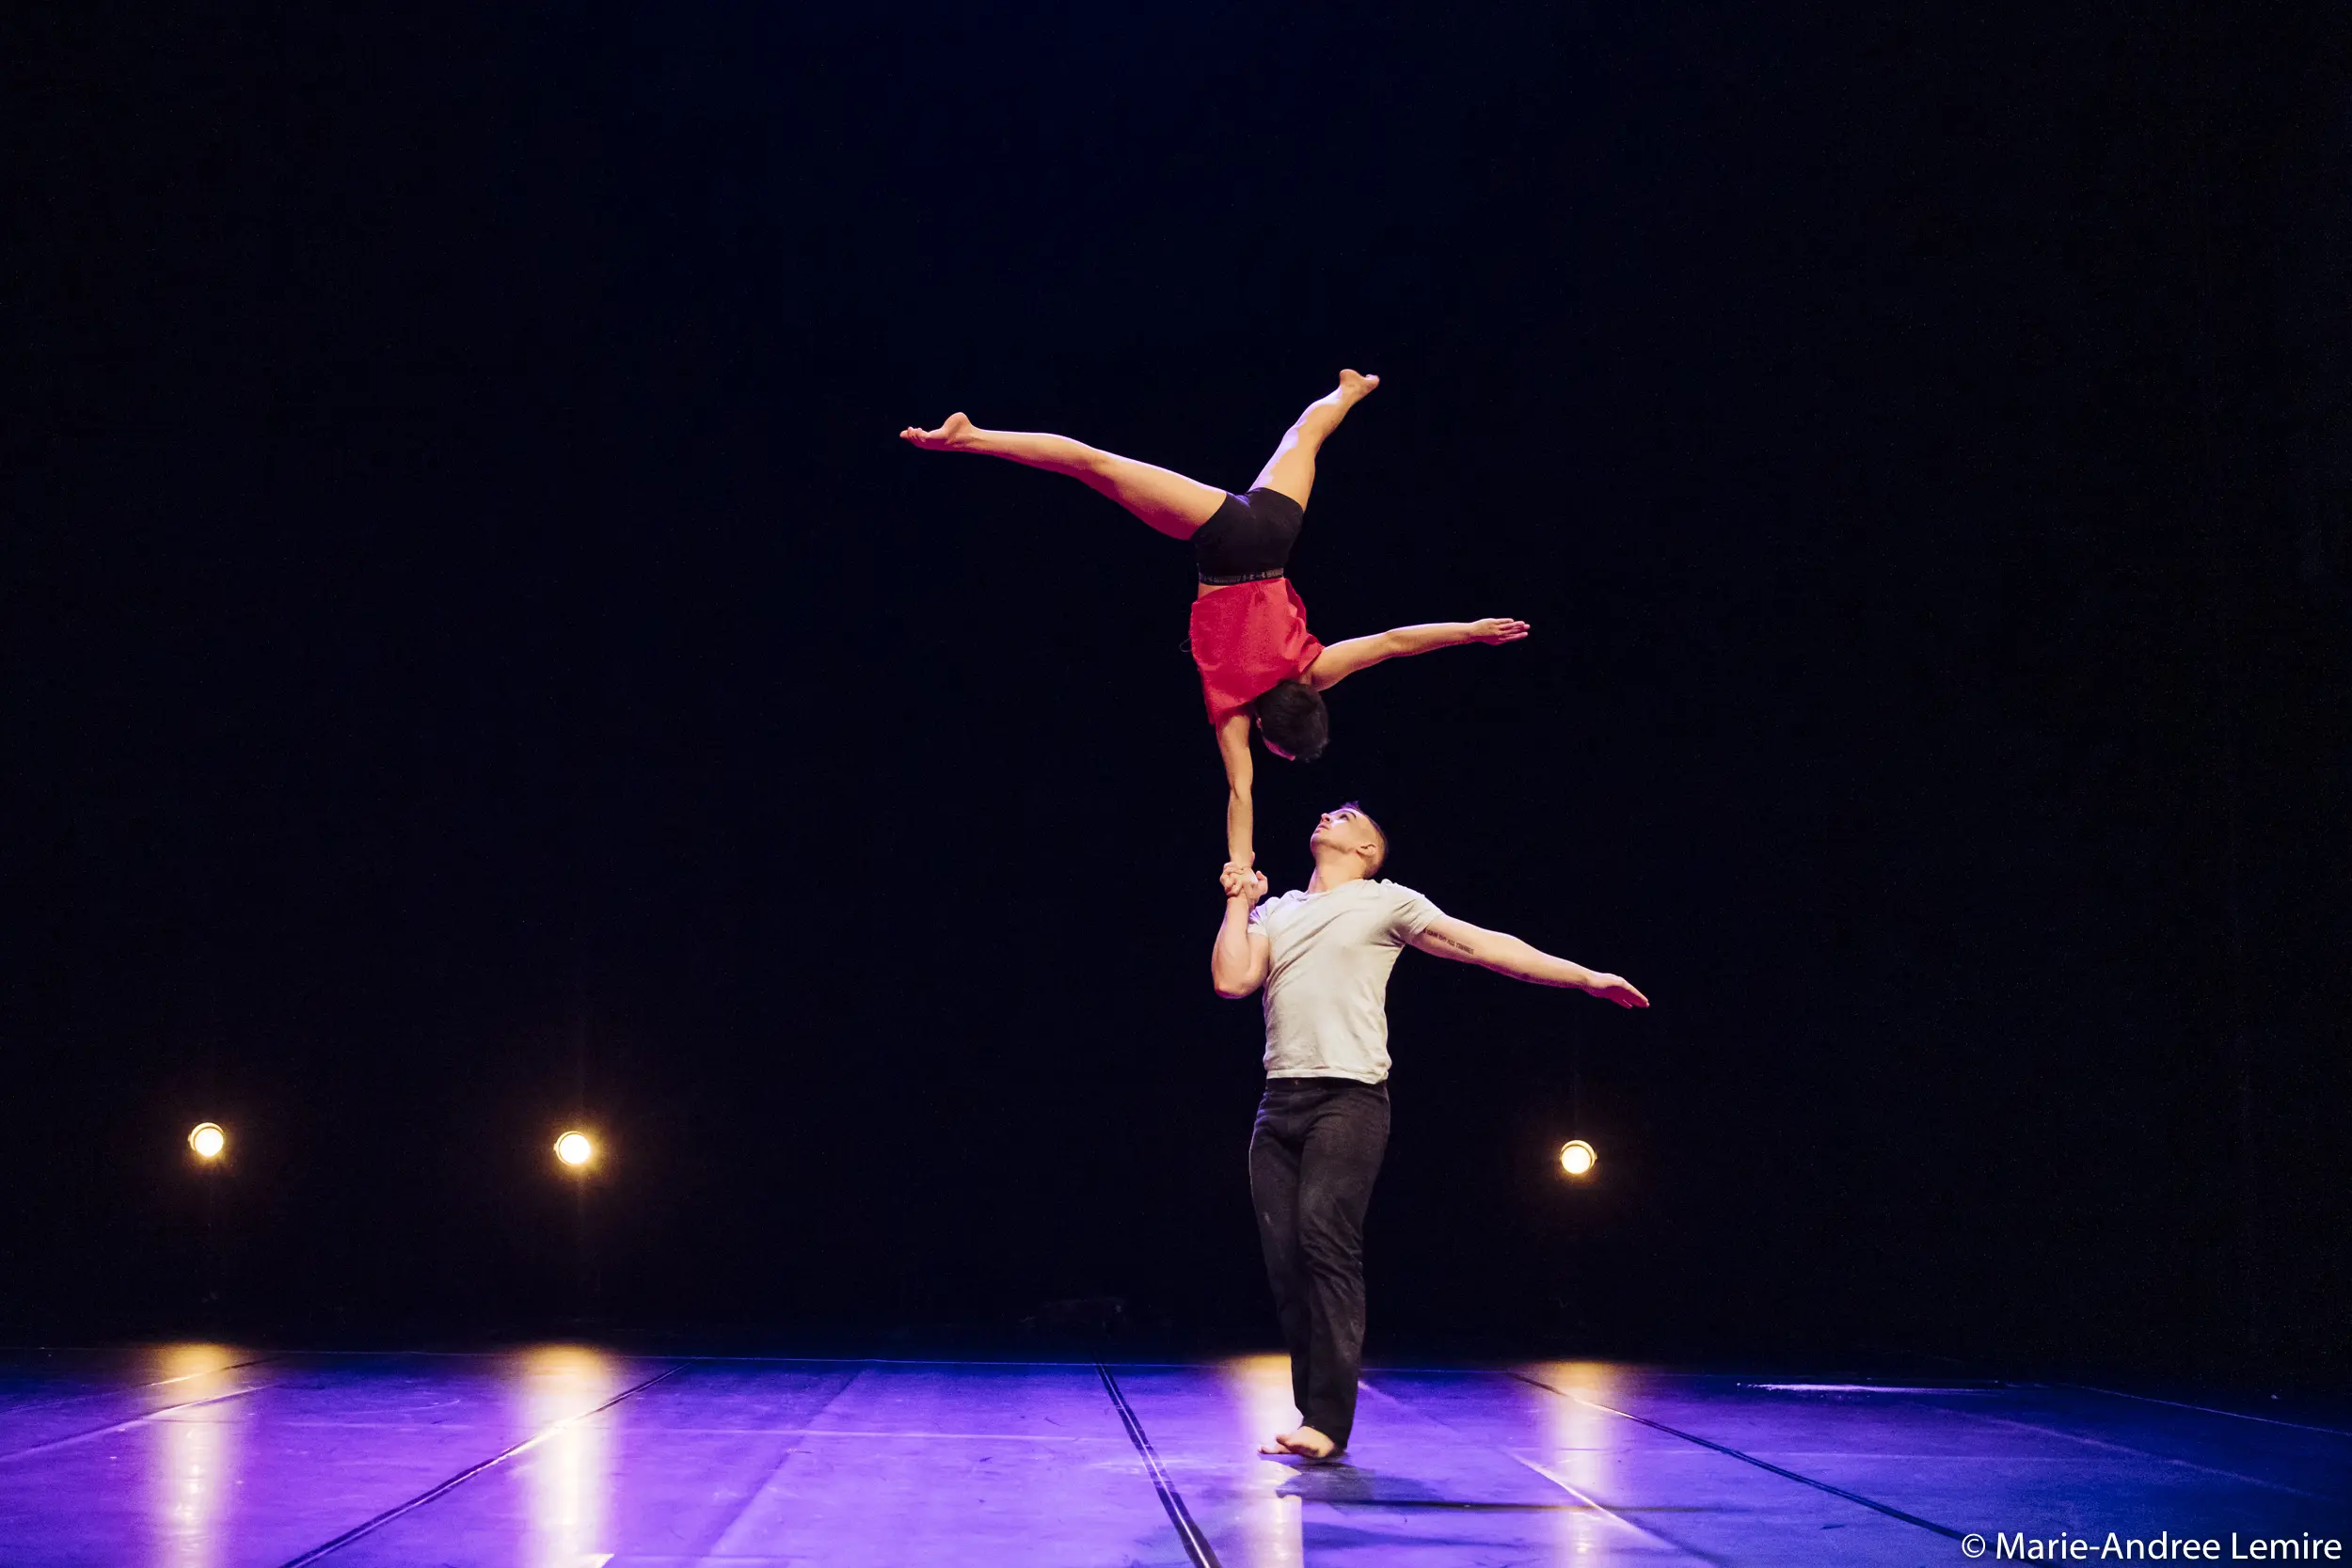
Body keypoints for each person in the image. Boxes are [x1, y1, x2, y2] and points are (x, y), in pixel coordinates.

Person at [900, 373, 1529, 871]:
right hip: (1225, 546)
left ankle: (1349, 389)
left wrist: (1470, 629)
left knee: (1303, 439)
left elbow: (1393, 643)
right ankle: (969, 438)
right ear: (1266, 725)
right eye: (1274, 746)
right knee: (1098, 467)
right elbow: (1241, 796)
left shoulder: (1316, 670)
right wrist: (1239, 863)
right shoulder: (1234, 710)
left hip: (1273, 538)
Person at [1209, 804, 1648, 1460]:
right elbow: (1231, 978)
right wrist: (1238, 904)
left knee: (1325, 1239)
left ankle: (1328, 1422)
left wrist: (1583, 977)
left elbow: (1487, 946)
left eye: (1348, 815)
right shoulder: (1281, 911)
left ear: (1366, 850)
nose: (1330, 812)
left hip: (1349, 1096)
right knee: (1286, 1261)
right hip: (1279, 1101)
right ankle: (1312, 1412)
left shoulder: (1387, 902)